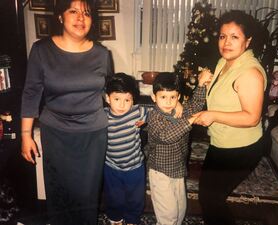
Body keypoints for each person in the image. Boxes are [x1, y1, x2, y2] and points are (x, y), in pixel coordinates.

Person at [20, 0, 113, 224]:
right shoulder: (41, 50)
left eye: (87, 13)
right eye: (73, 11)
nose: (81, 18)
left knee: (86, 196)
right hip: (56, 134)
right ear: (60, 16)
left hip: (93, 136)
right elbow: (31, 92)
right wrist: (25, 135)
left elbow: (111, 92)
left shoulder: (102, 53)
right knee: (59, 196)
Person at [194, 10, 267, 225]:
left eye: (235, 37)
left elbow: (252, 117)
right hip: (222, 141)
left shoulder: (249, 73)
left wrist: (212, 115)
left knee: (211, 198)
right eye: (222, 36)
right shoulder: (223, 62)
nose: (226, 42)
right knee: (209, 196)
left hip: (241, 148)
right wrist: (204, 83)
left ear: (248, 41)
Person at [146, 72, 211, 225]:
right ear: (154, 98)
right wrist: (190, 121)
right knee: (168, 215)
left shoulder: (179, 110)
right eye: (163, 97)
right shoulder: (154, 117)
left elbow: (195, 105)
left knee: (180, 210)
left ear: (179, 97)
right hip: (160, 172)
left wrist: (201, 85)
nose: (168, 102)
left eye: (173, 97)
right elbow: (167, 136)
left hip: (178, 170)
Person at [103, 73, 151, 225]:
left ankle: (132, 219)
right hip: (112, 166)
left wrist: (176, 106)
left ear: (133, 100)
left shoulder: (137, 112)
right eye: (117, 99)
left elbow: (158, 112)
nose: (122, 105)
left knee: (136, 197)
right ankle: (115, 218)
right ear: (107, 98)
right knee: (113, 196)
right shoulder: (102, 117)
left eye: (127, 100)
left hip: (135, 166)